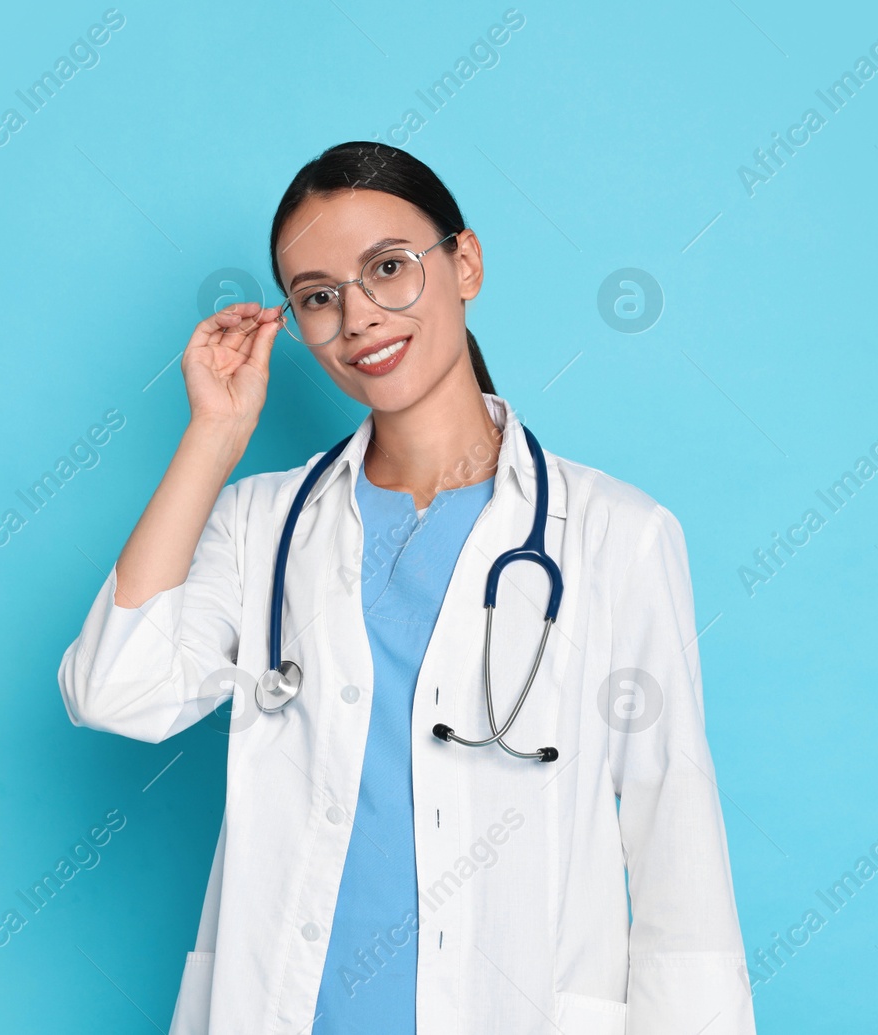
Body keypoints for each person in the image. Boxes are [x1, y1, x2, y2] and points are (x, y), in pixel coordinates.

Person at [57, 141, 755, 1035]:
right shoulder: (262, 522)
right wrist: (214, 437)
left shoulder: (618, 533)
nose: (359, 318)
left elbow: (675, 841)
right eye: (318, 296)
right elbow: (115, 690)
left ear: (464, 264)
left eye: (389, 268)